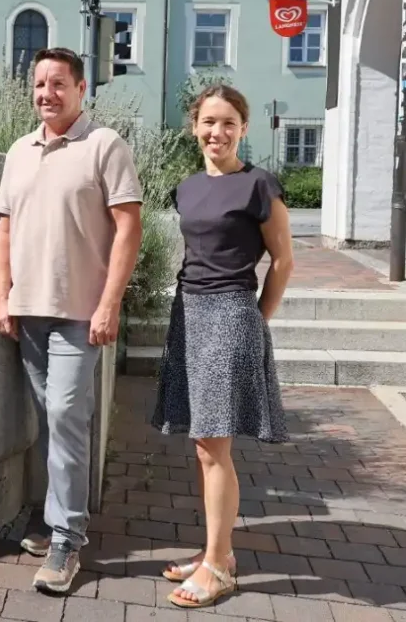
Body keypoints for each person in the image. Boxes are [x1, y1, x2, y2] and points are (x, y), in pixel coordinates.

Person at [0, 47, 143, 594]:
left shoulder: (105, 145)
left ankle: (67, 540)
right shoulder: (19, 150)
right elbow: (4, 232)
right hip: (28, 311)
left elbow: (129, 229)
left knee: (66, 416)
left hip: (80, 313)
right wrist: (1, 299)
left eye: (58, 83)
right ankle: (56, 518)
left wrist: (110, 304)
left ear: (81, 89)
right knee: (51, 422)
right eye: (39, 84)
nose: (47, 93)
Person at [151, 84, 293, 610]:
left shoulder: (259, 185)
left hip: (232, 312)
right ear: (194, 127)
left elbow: (282, 262)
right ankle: (218, 552)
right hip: (188, 312)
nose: (218, 132)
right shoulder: (186, 188)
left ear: (244, 128)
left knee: (214, 447)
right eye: (209, 122)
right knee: (202, 444)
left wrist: (256, 320)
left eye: (229, 122)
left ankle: (218, 566)